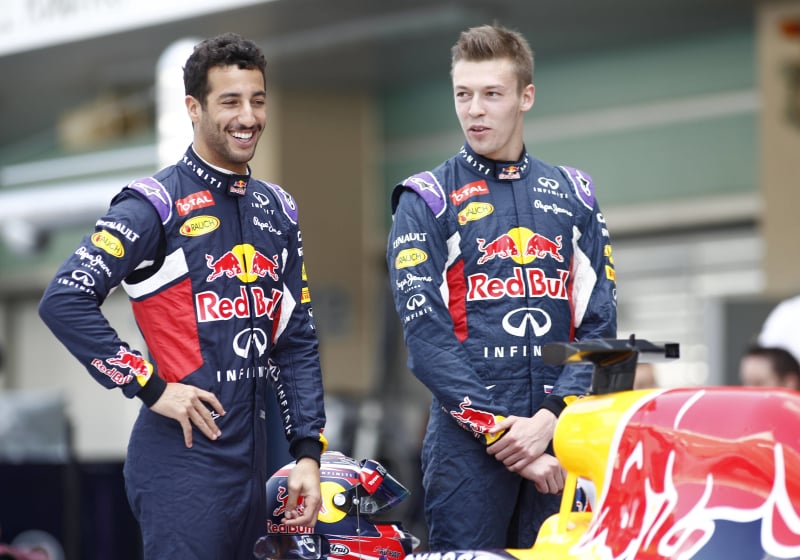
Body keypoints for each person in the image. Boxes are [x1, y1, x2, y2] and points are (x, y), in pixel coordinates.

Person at [38, 33, 327, 558]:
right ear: (194, 108)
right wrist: (149, 386)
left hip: (259, 466)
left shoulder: (278, 209)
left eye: (257, 100)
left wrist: (307, 454)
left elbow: (296, 340)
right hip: (182, 468)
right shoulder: (154, 204)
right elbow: (64, 299)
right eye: (230, 101)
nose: (248, 117)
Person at [385, 24, 617, 550]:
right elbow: (426, 342)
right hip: (467, 451)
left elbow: (601, 330)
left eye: (492, 94)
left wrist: (551, 422)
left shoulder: (574, 195)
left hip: (561, 440)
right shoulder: (426, 198)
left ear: (525, 97)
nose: (475, 110)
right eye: (463, 95)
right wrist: (504, 435)